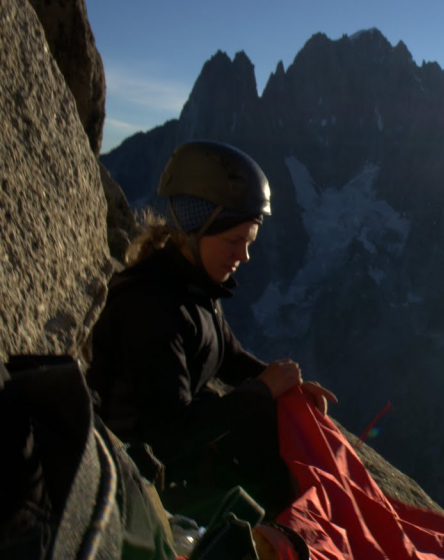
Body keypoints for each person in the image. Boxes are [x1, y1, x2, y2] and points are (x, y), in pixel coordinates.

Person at [87, 140, 336, 518]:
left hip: (176, 462)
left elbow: (226, 355)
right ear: (194, 228)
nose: (244, 256)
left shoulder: (191, 285)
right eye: (234, 241)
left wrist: (287, 387)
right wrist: (262, 390)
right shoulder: (151, 307)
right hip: (145, 481)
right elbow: (168, 437)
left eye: (249, 242)